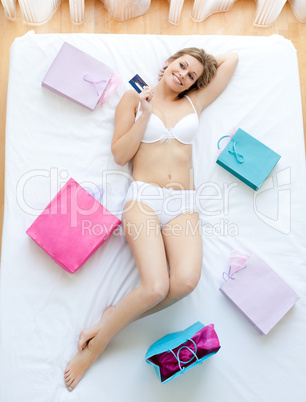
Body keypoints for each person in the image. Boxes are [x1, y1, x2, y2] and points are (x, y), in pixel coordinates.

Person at [64, 47, 239, 391]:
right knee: (156, 287)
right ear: (167, 63)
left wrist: (201, 67)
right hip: (144, 200)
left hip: (183, 204)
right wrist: (145, 113)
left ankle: (109, 321)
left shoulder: (194, 103)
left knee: (185, 284)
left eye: (191, 75)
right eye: (181, 65)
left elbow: (231, 61)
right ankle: (95, 348)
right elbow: (119, 155)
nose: (184, 75)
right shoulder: (133, 97)